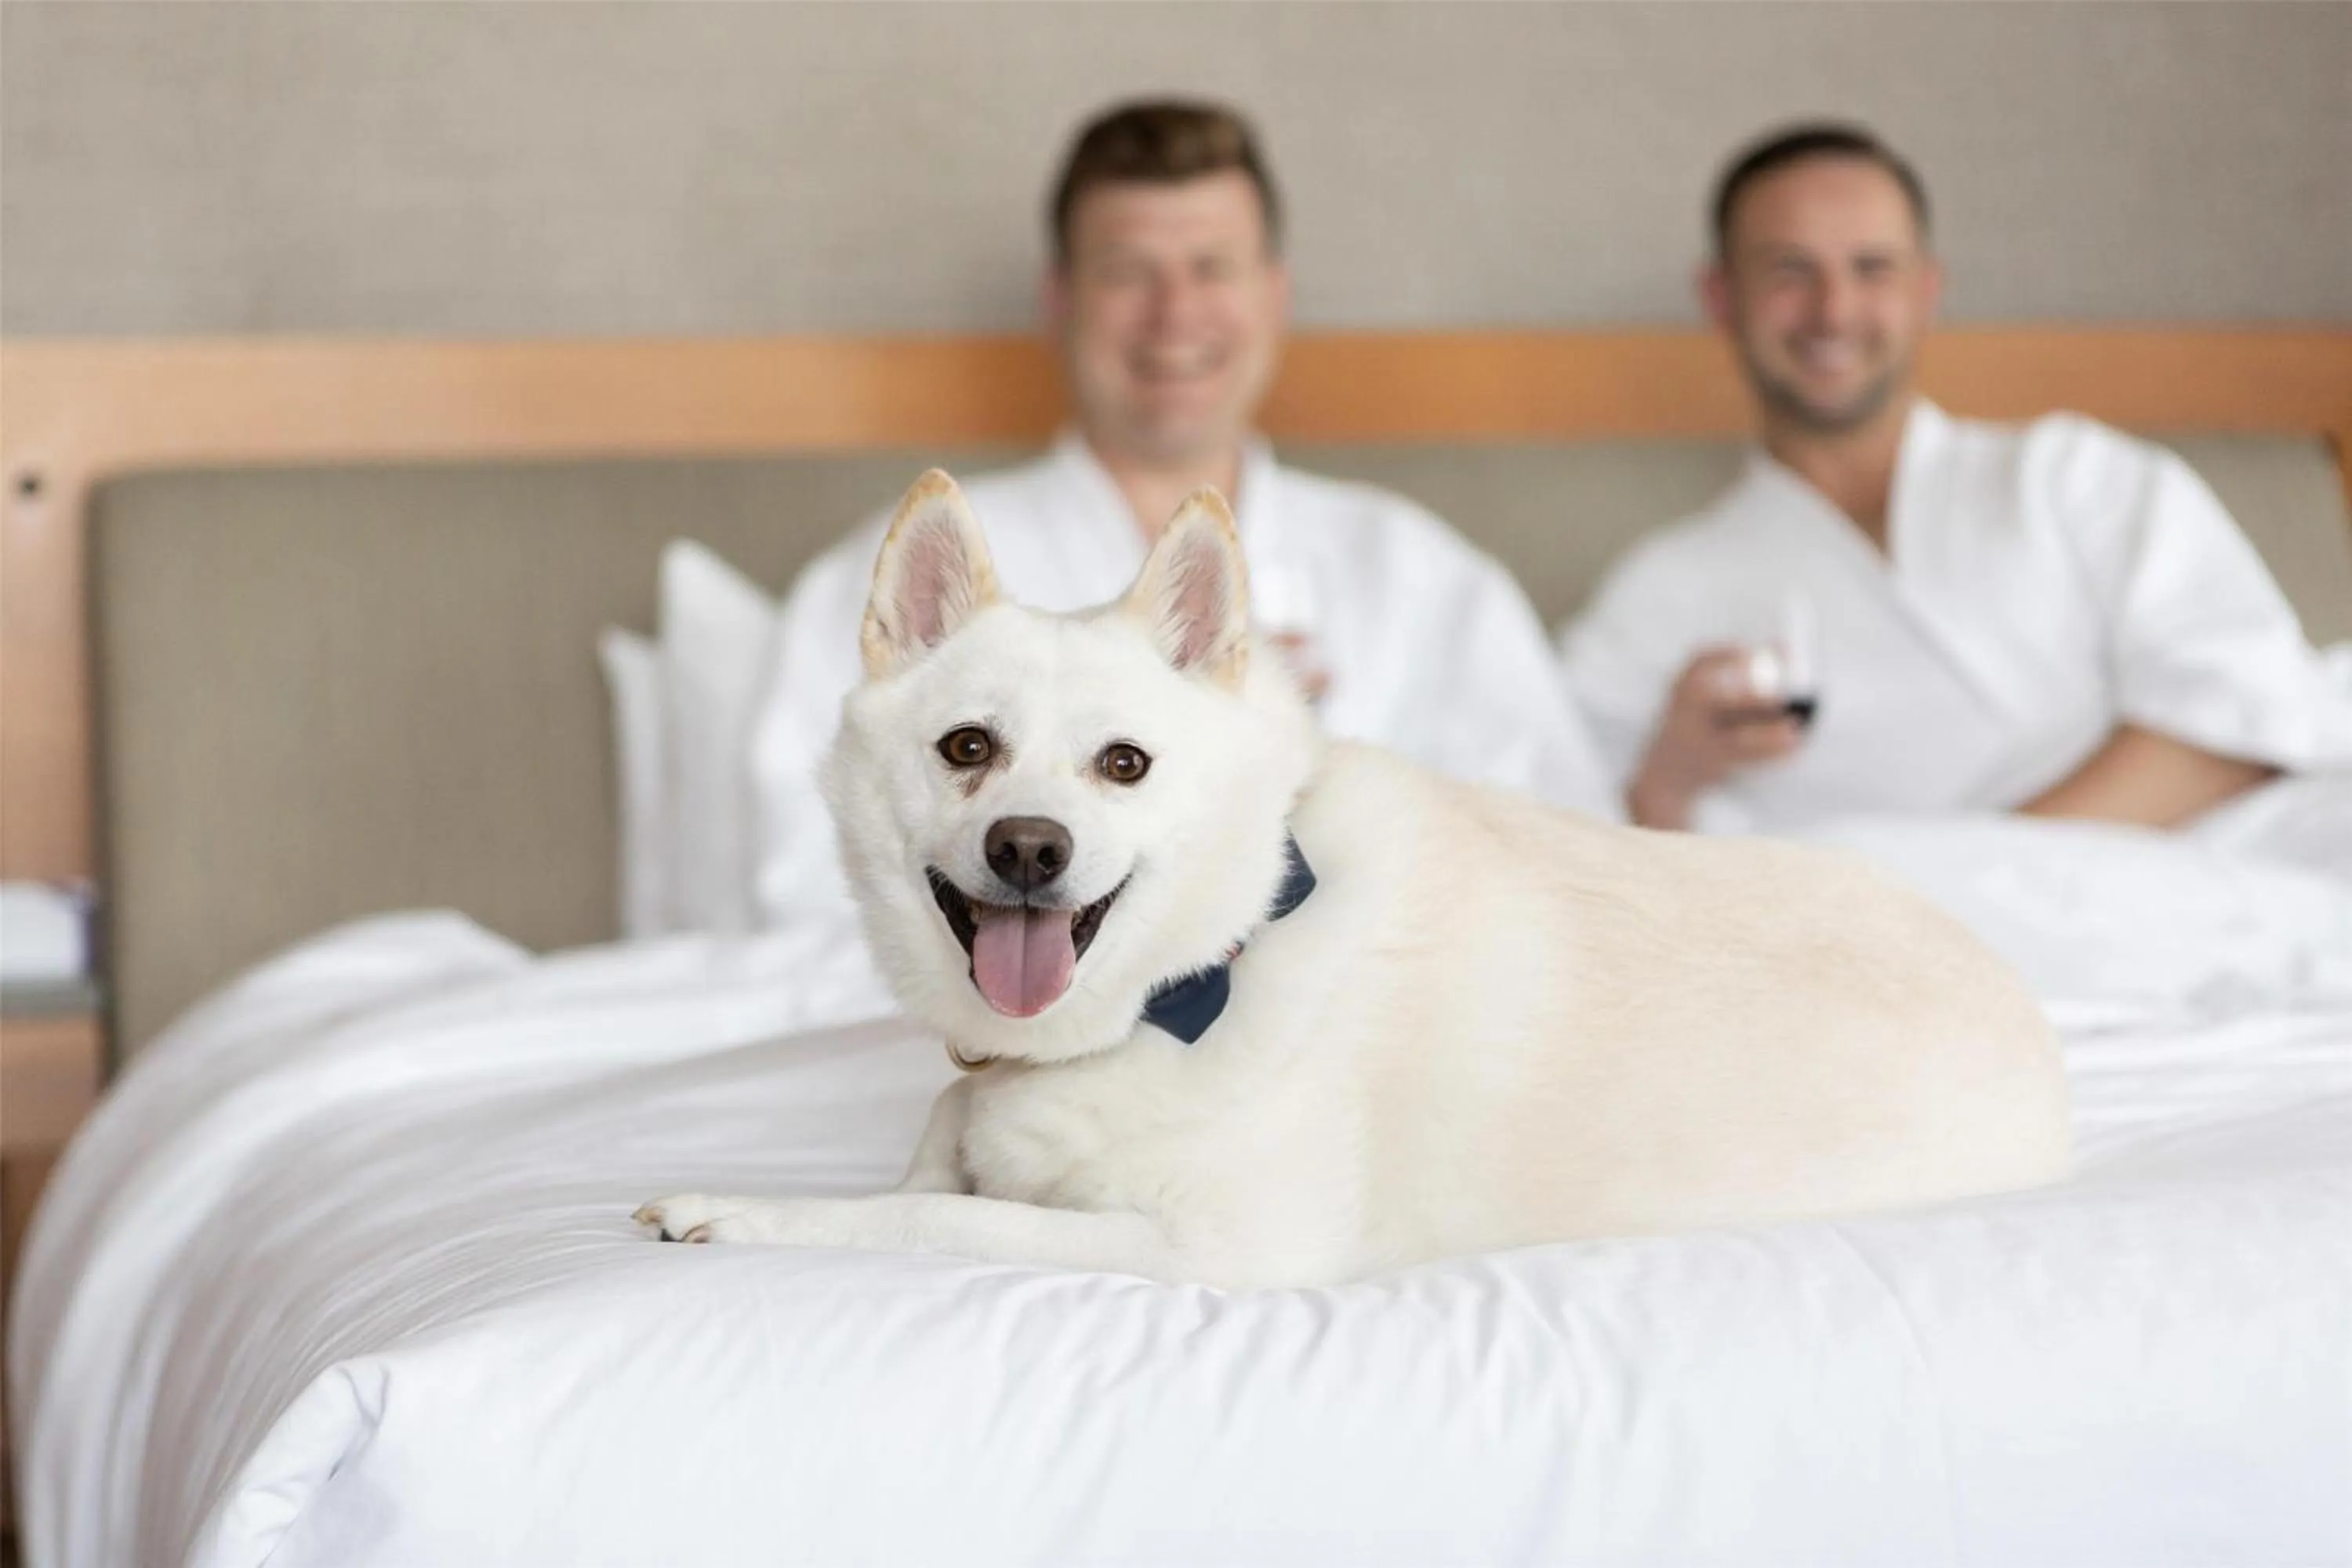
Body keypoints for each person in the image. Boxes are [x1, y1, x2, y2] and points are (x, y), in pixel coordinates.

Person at [751, 98, 1613, 926]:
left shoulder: (1417, 574)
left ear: (1274, 292)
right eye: (1128, 272)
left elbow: (1560, 857)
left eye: (1212, 267)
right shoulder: (902, 582)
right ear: (1060, 297)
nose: (1175, 315)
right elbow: (800, 886)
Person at [1561, 122, 2352, 834]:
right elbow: (1575, 853)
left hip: (2198, 876)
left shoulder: (2074, 476)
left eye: (1872, 267)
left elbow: (2248, 715)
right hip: (1875, 936)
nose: (1834, 310)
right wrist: (1668, 777)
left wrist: (1981, 877)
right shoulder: (1658, 594)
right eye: (1789, 270)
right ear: (1721, 298)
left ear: (1926, 291)